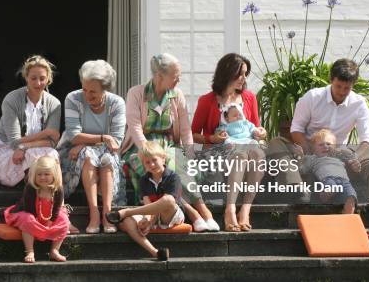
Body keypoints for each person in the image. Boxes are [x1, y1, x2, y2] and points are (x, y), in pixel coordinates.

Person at [281, 58, 369, 228]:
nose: (342, 92)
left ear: (353, 85)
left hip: (339, 153)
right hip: (311, 150)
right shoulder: (312, 97)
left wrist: (356, 157)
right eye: (338, 86)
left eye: (347, 88)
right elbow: (296, 129)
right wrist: (311, 151)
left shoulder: (359, 103)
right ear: (331, 80)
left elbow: (367, 139)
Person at [122, 53, 218, 232]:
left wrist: (189, 153)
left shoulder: (177, 95)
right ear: (159, 76)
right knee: (158, 166)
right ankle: (195, 214)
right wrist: (147, 150)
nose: (178, 80)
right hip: (141, 147)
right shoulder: (136, 93)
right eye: (175, 76)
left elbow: (185, 129)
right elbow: (134, 127)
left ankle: (204, 212)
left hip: (168, 145)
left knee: (179, 164)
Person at [192, 53, 267, 232]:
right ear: (227, 73)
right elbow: (193, 134)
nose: (243, 78)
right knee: (241, 155)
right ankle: (230, 209)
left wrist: (262, 133)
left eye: (245, 74)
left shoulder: (249, 98)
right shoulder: (207, 100)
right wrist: (212, 138)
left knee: (258, 154)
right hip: (217, 150)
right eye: (240, 74)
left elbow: (256, 128)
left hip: (246, 146)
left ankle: (245, 210)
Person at [58, 60, 126, 234]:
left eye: (93, 92)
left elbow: (116, 142)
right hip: (72, 154)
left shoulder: (117, 103)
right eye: (85, 89)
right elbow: (73, 136)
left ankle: (107, 213)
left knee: (106, 158)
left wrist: (83, 142)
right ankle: (95, 214)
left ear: (105, 89)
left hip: (101, 152)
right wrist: (102, 137)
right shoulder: (73, 98)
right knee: (89, 155)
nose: (87, 95)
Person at [0, 55, 61, 187]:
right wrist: (46, 132)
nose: (38, 83)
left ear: (48, 79)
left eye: (42, 78)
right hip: (5, 148)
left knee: (51, 154)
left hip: (31, 148)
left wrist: (25, 146)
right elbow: (14, 142)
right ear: (26, 77)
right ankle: (34, 196)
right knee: (37, 157)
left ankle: (50, 200)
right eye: (33, 78)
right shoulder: (12, 99)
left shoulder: (54, 103)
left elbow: (52, 142)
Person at [106, 141, 183, 261]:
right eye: (147, 162)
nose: (151, 165)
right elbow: (148, 205)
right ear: (144, 165)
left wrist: (151, 221)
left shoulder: (173, 177)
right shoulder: (144, 180)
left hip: (170, 215)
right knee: (125, 222)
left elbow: (168, 203)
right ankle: (155, 252)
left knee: (168, 200)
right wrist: (146, 221)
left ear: (163, 159)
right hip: (153, 215)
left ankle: (127, 212)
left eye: (154, 160)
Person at [4, 156, 69, 263]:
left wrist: (50, 221)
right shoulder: (31, 188)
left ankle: (54, 250)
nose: (42, 177)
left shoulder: (58, 189)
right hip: (29, 213)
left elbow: (56, 209)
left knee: (64, 219)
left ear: (54, 175)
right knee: (28, 219)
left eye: (46, 174)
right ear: (34, 175)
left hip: (48, 215)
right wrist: (38, 223)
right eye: (39, 174)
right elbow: (29, 208)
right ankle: (30, 251)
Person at [297, 129, 358, 214]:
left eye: (329, 144)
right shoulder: (313, 158)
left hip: (345, 181)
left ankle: (347, 215)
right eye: (321, 145)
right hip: (328, 179)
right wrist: (300, 157)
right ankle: (322, 200)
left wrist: (345, 155)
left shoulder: (338, 156)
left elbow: (351, 156)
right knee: (330, 188)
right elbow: (302, 170)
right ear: (314, 149)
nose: (325, 146)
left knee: (351, 197)